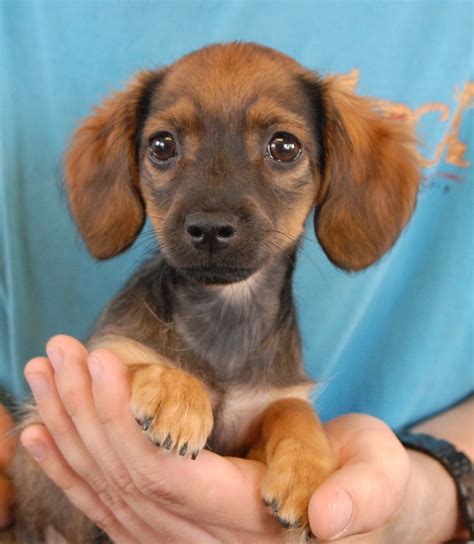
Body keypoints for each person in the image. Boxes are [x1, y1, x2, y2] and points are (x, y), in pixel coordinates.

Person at [1, 1, 472, 542]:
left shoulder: (280, 389)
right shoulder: (131, 350)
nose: (211, 214)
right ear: (128, 162)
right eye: (164, 147)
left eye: (281, 148)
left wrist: (422, 495)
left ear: (330, 174)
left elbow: (283, 415)